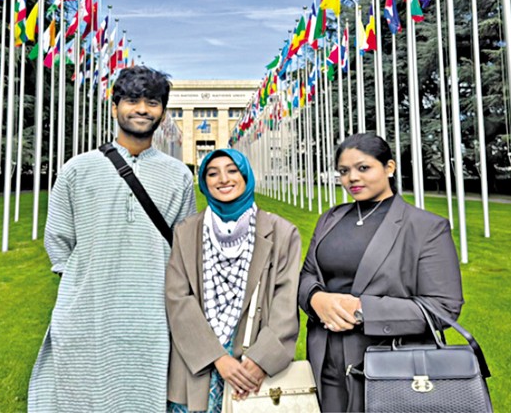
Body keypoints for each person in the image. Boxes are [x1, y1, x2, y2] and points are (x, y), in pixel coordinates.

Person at [28, 66, 197, 412]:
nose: (141, 109)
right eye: (132, 100)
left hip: (151, 313)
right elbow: (59, 241)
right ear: (114, 106)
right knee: (83, 394)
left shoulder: (179, 176)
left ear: (162, 113)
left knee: (143, 396)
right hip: (89, 309)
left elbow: (184, 249)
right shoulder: (77, 169)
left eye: (152, 102)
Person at [298, 133, 464, 412]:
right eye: (344, 171)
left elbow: (443, 307)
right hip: (325, 361)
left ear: (389, 167)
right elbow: (306, 276)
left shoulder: (425, 227)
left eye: (363, 168)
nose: (352, 178)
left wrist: (363, 310)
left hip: (391, 365)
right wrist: (316, 299)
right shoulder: (329, 219)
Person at [166, 148, 301, 413]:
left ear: (246, 176)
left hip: (251, 368)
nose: (223, 179)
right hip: (197, 365)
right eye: (212, 173)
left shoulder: (282, 232)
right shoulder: (186, 231)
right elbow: (177, 298)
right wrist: (217, 358)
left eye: (232, 170)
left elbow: (285, 302)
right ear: (205, 183)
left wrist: (260, 360)